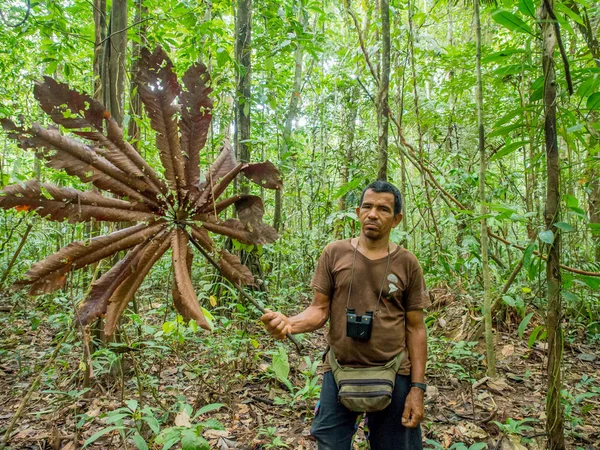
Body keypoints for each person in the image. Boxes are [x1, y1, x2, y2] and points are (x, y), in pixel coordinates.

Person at [261, 180, 430, 450]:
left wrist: (417, 388)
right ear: (358, 211)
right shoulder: (334, 253)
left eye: (383, 209)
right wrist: (288, 323)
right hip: (339, 369)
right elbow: (319, 310)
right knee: (329, 443)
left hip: (395, 368)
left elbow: (416, 328)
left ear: (396, 219)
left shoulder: (407, 263)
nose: (373, 214)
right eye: (367, 206)